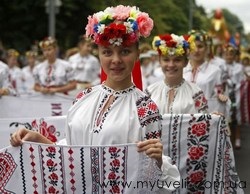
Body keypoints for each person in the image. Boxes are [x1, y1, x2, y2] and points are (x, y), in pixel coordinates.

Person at [10, 5, 180, 193]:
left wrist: (156, 160)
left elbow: (148, 179)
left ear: (137, 54)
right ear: (98, 54)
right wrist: (38, 139)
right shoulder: (84, 97)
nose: (115, 60)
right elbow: (72, 154)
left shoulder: (146, 109)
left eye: (125, 51)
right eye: (107, 52)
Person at [146, 33, 208, 114]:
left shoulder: (196, 93)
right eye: (166, 60)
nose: (171, 65)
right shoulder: (150, 92)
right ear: (160, 61)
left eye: (177, 60)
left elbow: (205, 122)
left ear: (185, 62)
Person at [183, 30, 229, 115]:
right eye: (193, 46)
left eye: (200, 46)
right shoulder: (181, 69)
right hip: (184, 115)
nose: (196, 50)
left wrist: (220, 96)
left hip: (205, 115)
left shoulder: (215, 71)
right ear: (188, 49)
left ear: (207, 49)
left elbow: (219, 93)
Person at [223, 43, 246, 149]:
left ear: (235, 56)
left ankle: (237, 138)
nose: (229, 56)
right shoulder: (220, 66)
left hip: (235, 93)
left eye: (231, 54)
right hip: (225, 94)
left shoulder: (239, 67)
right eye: (226, 54)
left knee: (236, 117)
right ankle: (228, 139)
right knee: (227, 117)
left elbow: (242, 81)